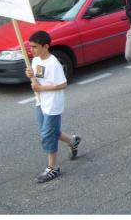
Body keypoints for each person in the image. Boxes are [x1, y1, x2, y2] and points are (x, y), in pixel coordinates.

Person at [25, 30, 81, 183]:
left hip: (52, 104)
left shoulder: (53, 63)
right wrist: (31, 76)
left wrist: (41, 88)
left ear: (45, 46)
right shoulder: (35, 60)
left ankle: (53, 167)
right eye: (30, 46)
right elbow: (38, 80)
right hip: (40, 102)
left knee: (47, 134)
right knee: (51, 131)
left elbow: (62, 84)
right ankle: (72, 141)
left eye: (35, 47)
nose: (32, 50)